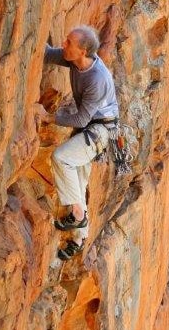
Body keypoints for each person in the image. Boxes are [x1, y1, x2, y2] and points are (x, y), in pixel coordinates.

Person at [35, 25, 119, 261]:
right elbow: (47, 53)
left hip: (100, 130)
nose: (65, 44)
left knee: (62, 158)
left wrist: (48, 117)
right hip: (89, 127)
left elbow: (82, 117)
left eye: (69, 42)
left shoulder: (96, 79)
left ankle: (79, 215)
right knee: (78, 184)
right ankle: (79, 238)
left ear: (82, 51)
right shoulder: (75, 60)